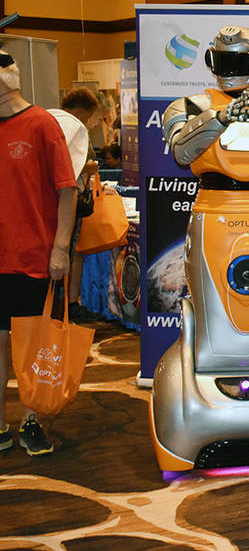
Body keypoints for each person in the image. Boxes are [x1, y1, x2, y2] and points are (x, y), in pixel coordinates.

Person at [0, 48, 77, 456]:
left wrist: (60, 247)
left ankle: (31, 421)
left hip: (32, 257)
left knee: (32, 347)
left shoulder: (41, 123)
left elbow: (67, 189)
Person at [48, 87, 102, 322]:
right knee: (65, 256)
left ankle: (58, 309)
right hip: (66, 205)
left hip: (46, 207)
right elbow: (72, 171)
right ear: (82, 112)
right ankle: (61, 313)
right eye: (89, 117)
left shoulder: (47, 121)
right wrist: (90, 167)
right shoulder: (73, 128)